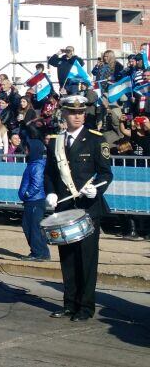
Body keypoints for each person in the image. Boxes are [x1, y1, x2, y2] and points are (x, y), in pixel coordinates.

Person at [45, 95, 113, 320]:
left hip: (87, 208)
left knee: (86, 258)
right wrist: (51, 192)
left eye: (81, 112)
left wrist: (97, 189)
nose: (77, 116)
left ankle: (85, 307)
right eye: (73, 112)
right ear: (64, 113)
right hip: (64, 208)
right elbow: (50, 173)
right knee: (67, 257)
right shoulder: (56, 141)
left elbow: (106, 173)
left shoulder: (95, 139)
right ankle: (69, 304)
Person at [18, 124, 50, 261]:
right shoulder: (33, 163)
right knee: (29, 226)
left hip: (35, 200)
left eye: (27, 148)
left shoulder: (37, 165)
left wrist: (26, 194)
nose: (25, 150)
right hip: (32, 200)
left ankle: (40, 253)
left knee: (33, 227)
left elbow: (36, 184)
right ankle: (38, 251)